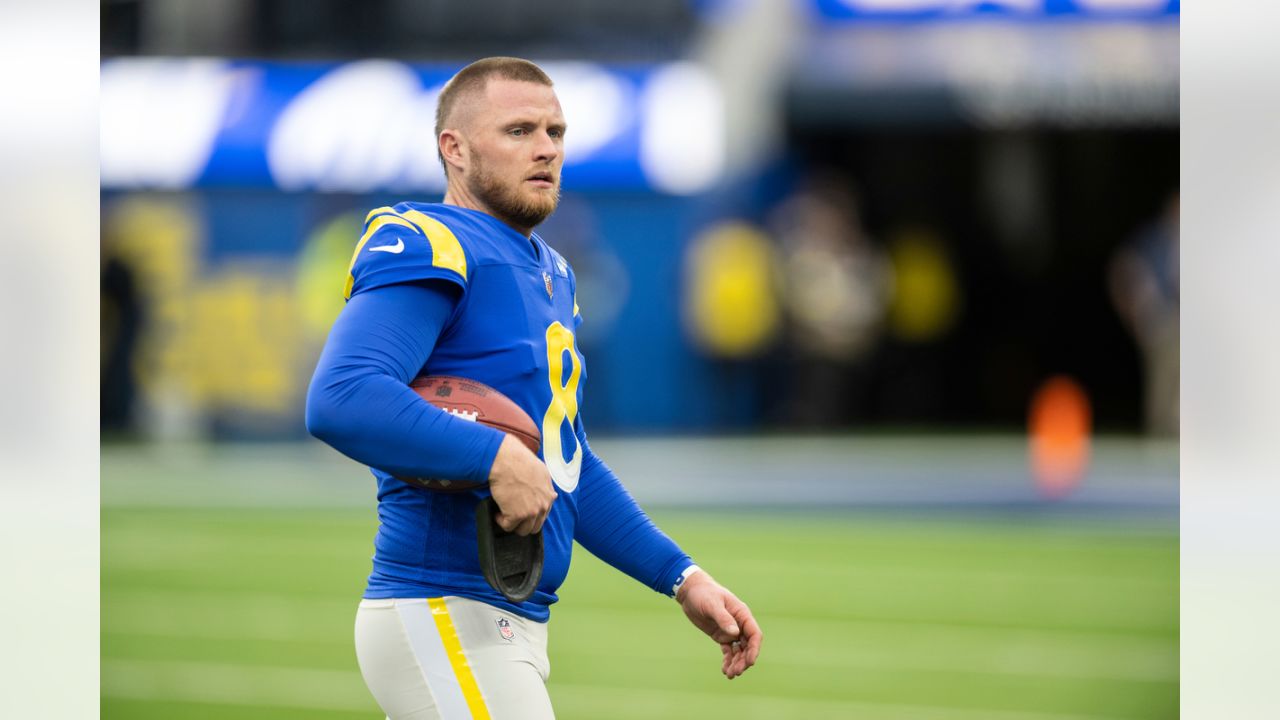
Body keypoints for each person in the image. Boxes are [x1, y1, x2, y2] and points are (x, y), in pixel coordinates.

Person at [305, 57, 762, 720]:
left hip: (504, 617)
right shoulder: (429, 238)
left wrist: (680, 576)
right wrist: (491, 455)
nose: (547, 147)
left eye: (556, 131)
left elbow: (562, 462)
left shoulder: (552, 271)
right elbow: (341, 395)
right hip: (443, 606)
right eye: (519, 130)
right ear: (453, 149)